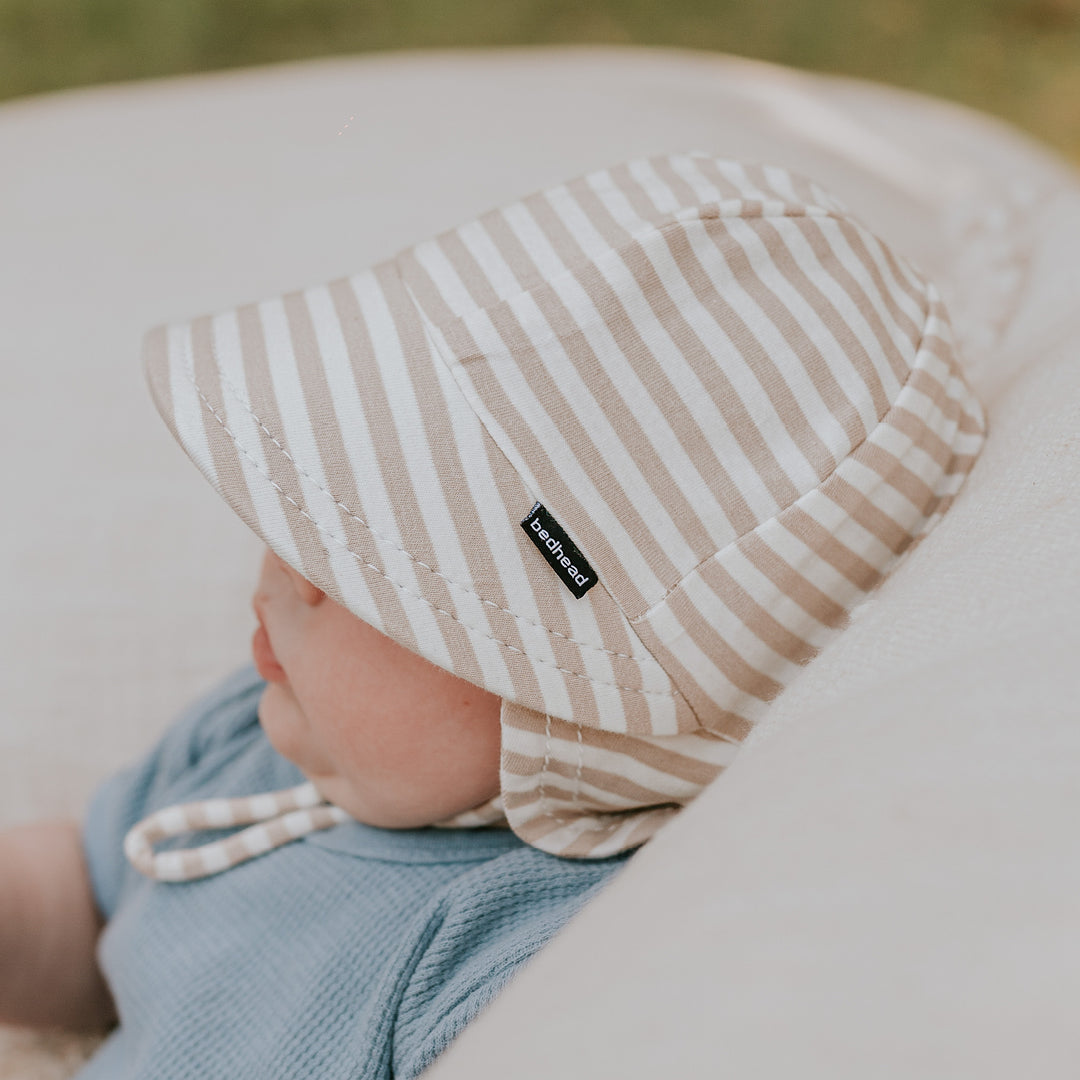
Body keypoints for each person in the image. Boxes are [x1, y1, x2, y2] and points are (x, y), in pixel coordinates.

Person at [0, 151, 986, 1078]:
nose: (285, 569)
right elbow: (81, 909)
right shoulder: (271, 728)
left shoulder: (506, 952)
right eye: (304, 508)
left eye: (373, 567)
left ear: (576, 719)